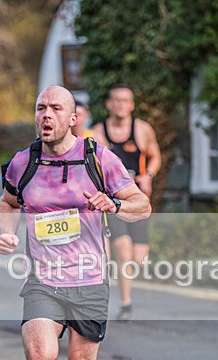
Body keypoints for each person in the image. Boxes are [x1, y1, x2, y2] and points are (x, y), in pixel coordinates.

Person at [0, 85, 151, 360]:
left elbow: (142, 205)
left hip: (89, 280)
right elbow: (8, 201)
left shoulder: (98, 158)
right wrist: (8, 232)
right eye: (40, 108)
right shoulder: (24, 162)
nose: (46, 115)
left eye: (55, 108)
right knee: (39, 358)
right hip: (43, 281)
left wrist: (113, 204)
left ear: (73, 118)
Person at [91, 84, 161, 321]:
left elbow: (155, 156)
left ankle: (121, 276)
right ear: (109, 104)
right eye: (116, 100)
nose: (120, 104)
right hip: (112, 202)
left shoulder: (142, 130)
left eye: (125, 100)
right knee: (123, 249)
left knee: (138, 258)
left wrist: (148, 176)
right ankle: (126, 303)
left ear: (131, 105)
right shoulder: (98, 133)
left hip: (137, 201)